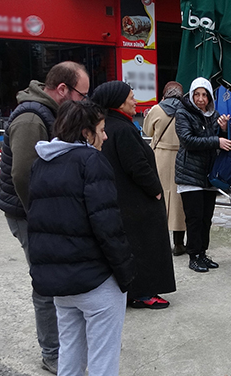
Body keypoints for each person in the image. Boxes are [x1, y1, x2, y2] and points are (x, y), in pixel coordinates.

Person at [28, 100, 133, 376]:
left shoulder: (42, 163)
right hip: (96, 280)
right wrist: (125, 273)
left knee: (71, 354)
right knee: (103, 359)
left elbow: (37, 224)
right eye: (100, 129)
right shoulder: (91, 162)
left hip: (60, 283)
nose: (104, 136)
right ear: (86, 132)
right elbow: (109, 225)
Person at [0, 61, 90, 374]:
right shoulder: (31, 118)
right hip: (30, 214)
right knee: (46, 282)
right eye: (81, 95)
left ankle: (63, 345)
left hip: (40, 212)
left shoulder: (49, 113)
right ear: (62, 89)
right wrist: (40, 214)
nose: (82, 102)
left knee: (55, 279)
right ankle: (53, 352)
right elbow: (23, 173)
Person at [92, 81, 176, 310]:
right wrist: (155, 190)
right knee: (145, 245)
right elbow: (137, 166)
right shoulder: (123, 129)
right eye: (131, 97)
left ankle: (132, 289)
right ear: (119, 102)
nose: (135, 100)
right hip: (136, 201)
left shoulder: (108, 125)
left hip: (121, 197)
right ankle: (143, 292)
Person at [175, 77, 231, 273]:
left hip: (208, 174)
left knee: (207, 217)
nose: (200, 99)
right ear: (191, 95)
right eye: (197, 94)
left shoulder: (213, 114)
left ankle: (202, 253)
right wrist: (216, 140)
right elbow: (187, 140)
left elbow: (221, 142)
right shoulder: (183, 113)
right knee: (194, 218)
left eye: (204, 95)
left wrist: (223, 130)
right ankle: (193, 255)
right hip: (189, 174)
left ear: (209, 97)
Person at [143, 81, 187, 256]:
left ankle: (159, 241)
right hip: (181, 158)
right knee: (179, 201)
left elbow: (147, 132)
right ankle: (179, 243)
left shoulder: (157, 109)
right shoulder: (185, 110)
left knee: (158, 197)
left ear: (164, 94)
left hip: (160, 157)